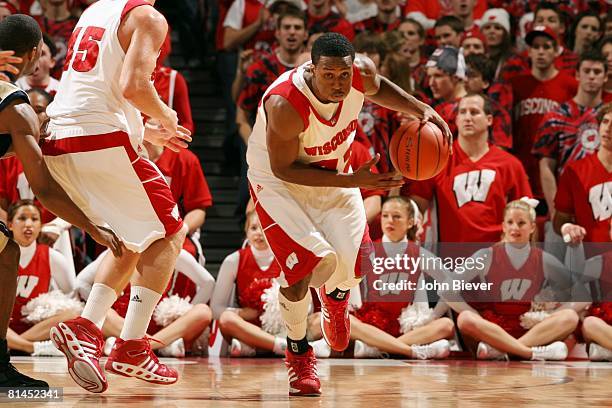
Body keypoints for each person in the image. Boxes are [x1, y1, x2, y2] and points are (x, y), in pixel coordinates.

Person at [246, 32, 450, 396]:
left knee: (357, 265)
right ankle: (298, 355)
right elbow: (284, 168)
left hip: (334, 174)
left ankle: (336, 300)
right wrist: (354, 179)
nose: (339, 83)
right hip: (280, 186)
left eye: (344, 75)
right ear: (311, 69)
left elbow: (378, 86)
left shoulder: (361, 73)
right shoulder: (285, 104)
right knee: (309, 268)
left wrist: (419, 108)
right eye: (329, 75)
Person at [42, 1, 191, 393]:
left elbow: (101, 87)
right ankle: (131, 347)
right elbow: (134, 87)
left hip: (61, 139)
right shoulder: (148, 17)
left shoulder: (96, 11)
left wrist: (143, 132)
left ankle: (86, 329)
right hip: (98, 139)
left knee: (133, 235)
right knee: (171, 232)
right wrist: (166, 116)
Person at [0, 14, 120, 389]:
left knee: (5, 252)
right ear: (36, 53)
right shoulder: (14, 109)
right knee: (7, 253)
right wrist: (90, 224)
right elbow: (45, 189)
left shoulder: (18, 110)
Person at [444, 199, 582, 361]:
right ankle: (530, 353)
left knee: (570, 317)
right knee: (466, 318)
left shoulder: (543, 259)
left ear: (532, 227)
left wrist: (549, 315)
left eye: (521, 223)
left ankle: (504, 350)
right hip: (493, 329)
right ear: (503, 226)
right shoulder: (486, 255)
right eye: (510, 222)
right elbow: (446, 289)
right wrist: (474, 313)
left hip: (529, 329)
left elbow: (582, 294)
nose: (514, 228)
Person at [405, 93, 532, 246]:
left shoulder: (510, 164)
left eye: (474, 112)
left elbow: (526, 215)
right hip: (451, 259)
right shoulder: (439, 161)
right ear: (456, 119)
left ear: (489, 120)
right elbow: (418, 205)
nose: (467, 117)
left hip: (498, 257)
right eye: (462, 112)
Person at [344, 196, 455, 359]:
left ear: (410, 222)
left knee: (447, 325)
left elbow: (452, 284)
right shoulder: (368, 250)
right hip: (372, 325)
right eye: (385, 216)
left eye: (396, 216)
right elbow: (348, 284)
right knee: (347, 321)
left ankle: (378, 349)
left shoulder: (418, 253)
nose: (390, 221)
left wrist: (432, 316)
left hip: (405, 327)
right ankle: (408, 350)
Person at [76, 248, 215, 358]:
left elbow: (208, 282)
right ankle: (159, 345)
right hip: (122, 324)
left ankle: (145, 345)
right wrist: (107, 302)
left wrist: (182, 310)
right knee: (103, 314)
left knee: (203, 311)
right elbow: (81, 282)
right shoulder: (117, 249)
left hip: (160, 323)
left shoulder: (171, 250)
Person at [212, 211, 288, 357]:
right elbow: (215, 308)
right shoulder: (233, 260)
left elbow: (305, 305)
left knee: (316, 320)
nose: (259, 233)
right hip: (247, 328)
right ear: (246, 232)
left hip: (283, 326)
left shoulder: (286, 259)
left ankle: (254, 347)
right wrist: (241, 313)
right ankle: (281, 346)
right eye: (253, 228)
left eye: (264, 228)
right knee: (227, 319)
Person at [6, 199, 76, 356]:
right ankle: (32, 348)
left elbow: (71, 292)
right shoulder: (2, 254)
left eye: (34, 219)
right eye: (22, 218)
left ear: (41, 226)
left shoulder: (52, 257)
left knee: (73, 313)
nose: (28, 224)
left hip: (34, 328)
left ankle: (12, 345)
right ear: (10, 224)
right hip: (4, 325)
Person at [554, 103, 612, 256]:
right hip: (589, 263)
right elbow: (559, 219)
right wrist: (568, 228)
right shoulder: (575, 171)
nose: (608, 128)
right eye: (605, 122)